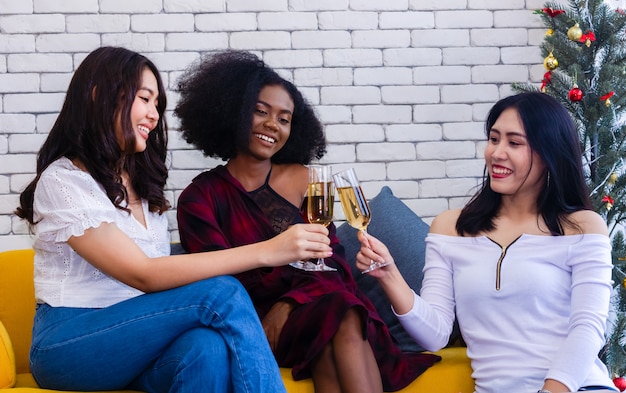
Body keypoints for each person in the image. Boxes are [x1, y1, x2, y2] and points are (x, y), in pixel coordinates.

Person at [14, 46, 334, 393]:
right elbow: (144, 274)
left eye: (157, 105)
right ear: (98, 96)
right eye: (145, 99)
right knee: (222, 292)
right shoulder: (63, 181)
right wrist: (270, 250)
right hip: (69, 342)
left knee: (206, 349)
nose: (154, 115)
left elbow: (160, 278)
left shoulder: (141, 187)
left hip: (138, 336)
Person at [174, 49, 440, 393]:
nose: (273, 124)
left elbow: (333, 267)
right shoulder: (200, 198)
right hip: (253, 324)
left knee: (337, 321)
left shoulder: (307, 182)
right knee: (340, 314)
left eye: (284, 118)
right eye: (260, 112)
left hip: (320, 310)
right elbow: (214, 284)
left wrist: (290, 303)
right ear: (234, 113)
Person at [355, 92, 617, 393]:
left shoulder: (581, 227)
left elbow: (588, 328)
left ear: (549, 155)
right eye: (494, 139)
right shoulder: (451, 227)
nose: (497, 153)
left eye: (514, 143)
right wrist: (389, 275)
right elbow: (436, 334)